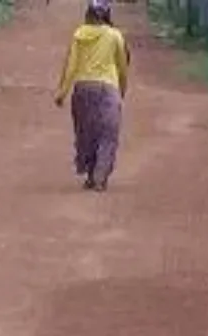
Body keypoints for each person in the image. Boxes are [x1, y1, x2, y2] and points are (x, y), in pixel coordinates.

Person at [53, 0, 130, 192]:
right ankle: (100, 176)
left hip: (83, 89)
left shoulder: (79, 35)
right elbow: (122, 66)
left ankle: (90, 174)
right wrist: (122, 89)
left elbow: (71, 66)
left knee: (86, 134)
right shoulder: (115, 36)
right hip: (108, 90)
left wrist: (62, 92)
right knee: (107, 134)